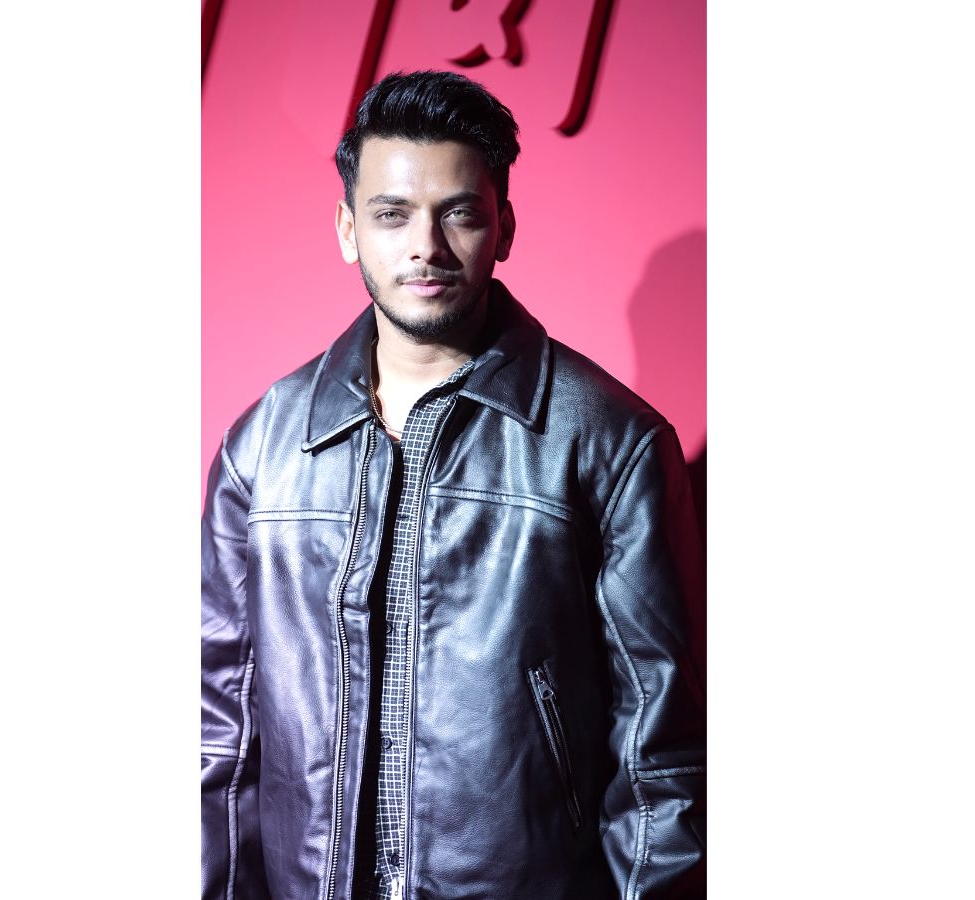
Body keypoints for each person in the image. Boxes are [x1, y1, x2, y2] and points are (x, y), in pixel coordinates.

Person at [202, 70, 705, 900]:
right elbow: (217, 738)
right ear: (347, 229)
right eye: (392, 214)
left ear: (504, 226)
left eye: (459, 213)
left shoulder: (610, 442)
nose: (425, 247)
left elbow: (663, 763)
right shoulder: (263, 448)